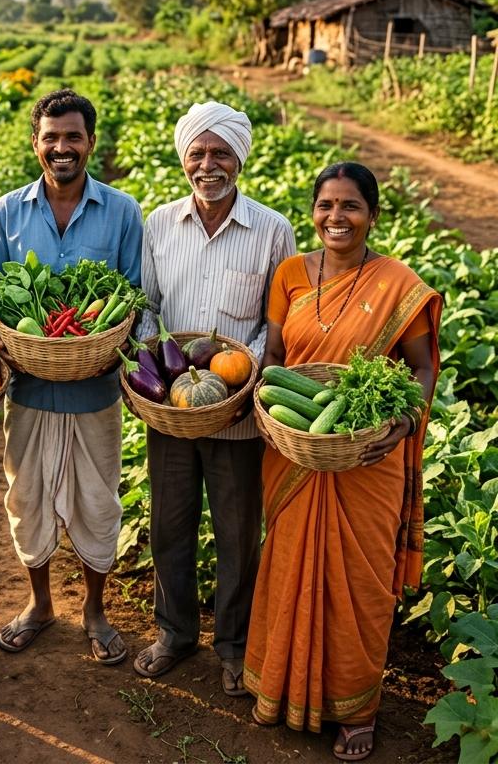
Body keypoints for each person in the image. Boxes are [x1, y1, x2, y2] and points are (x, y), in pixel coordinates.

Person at [245, 162, 441, 762]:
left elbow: (422, 366)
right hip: (296, 451)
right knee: (287, 569)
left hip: (368, 458)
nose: (336, 217)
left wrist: (405, 422)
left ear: (373, 215)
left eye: (350, 206)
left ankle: (357, 711)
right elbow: (275, 355)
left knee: (360, 584)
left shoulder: (398, 283)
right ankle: (280, 688)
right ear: (313, 211)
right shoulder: (290, 275)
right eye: (325, 204)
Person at [133, 100, 296, 697]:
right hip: (173, 411)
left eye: (220, 153)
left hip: (236, 411)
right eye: (197, 153)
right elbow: (147, 307)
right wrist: (159, 364)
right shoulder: (158, 224)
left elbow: (275, 324)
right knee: (170, 525)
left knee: (235, 531)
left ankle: (233, 644)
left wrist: (243, 372)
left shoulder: (273, 229)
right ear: (184, 160)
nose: (208, 164)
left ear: (239, 159)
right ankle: (174, 634)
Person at [0, 88, 142, 665]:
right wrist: (17, 344)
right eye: (51, 138)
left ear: (90, 143)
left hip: (95, 388)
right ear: (35, 144)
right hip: (29, 386)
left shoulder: (123, 211)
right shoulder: (9, 210)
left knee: (97, 502)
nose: (62, 148)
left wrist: (104, 348)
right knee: (27, 498)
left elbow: (131, 299)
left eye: (73, 137)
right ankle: (41, 605)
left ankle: (95, 611)